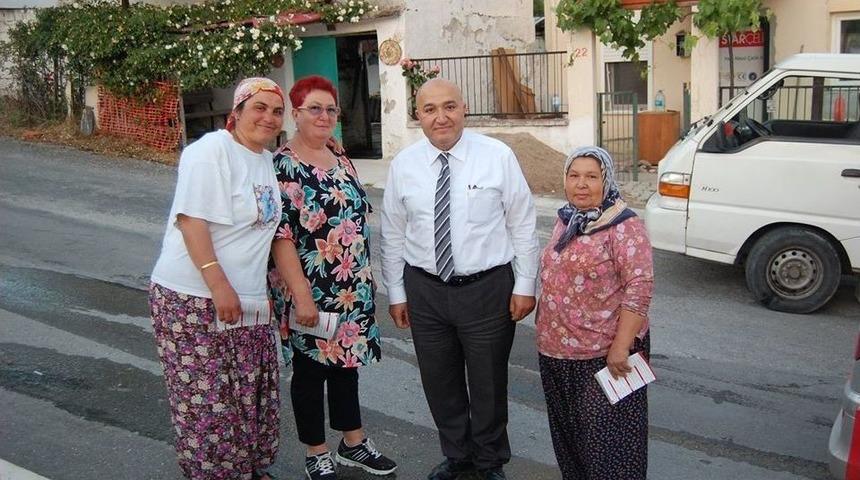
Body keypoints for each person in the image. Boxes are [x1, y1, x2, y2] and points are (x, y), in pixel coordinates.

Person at [380, 78, 539, 480]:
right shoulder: (404, 165)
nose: (441, 117)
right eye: (430, 109)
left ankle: (489, 463)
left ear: (464, 108)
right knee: (440, 382)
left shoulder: (497, 156)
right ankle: (458, 456)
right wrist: (397, 292)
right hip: (425, 291)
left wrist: (525, 285)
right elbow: (393, 233)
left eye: (449, 106)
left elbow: (522, 223)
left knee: (488, 384)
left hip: (487, 290)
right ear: (419, 116)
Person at [149, 77, 285, 480]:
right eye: (259, 107)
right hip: (193, 297)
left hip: (246, 300)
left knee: (247, 395)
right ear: (237, 112)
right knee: (208, 402)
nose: (269, 117)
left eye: (277, 111)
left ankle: (247, 470)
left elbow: (263, 232)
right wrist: (219, 284)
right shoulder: (211, 150)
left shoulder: (263, 159)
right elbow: (191, 221)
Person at [267, 75, 397, 480]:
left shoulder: (340, 157)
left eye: (330, 109)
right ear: (296, 113)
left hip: (350, 285)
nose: (324, 116)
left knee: (346, 364)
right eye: (314, 108)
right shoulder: (283, 166)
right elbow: (281, 236)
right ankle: (316, 450)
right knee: (310, 371)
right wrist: (301, 295)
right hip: (308, 285)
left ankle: (353, 442)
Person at [535, 146, 654, 480]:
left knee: (610, 449)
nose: (581, 184)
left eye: (591, 176)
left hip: (604, 357)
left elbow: (640, 286)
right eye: (574, 176)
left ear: (607, 180)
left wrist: (621, 346)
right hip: (556, 353)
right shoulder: (567, 220)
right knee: (571, 442)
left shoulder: (623, 226)